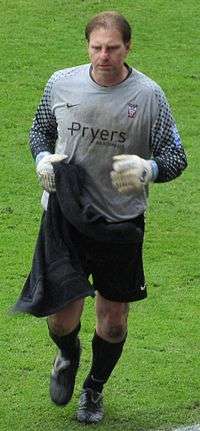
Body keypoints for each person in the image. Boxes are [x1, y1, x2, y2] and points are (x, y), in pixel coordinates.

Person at [28, 11, 187, 424]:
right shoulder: (61, 83)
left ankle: (93, 389)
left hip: (120, 223)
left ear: (128, 47)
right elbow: (39, 131)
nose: (104, 56)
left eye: (112, 48)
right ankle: (67, 355)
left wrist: (149, 170)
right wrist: (43, 159)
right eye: (96, 47)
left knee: (113, 325)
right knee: (61, 319)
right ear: (87, 47)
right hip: (65, 216)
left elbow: (176, 156)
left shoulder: (150, 95)